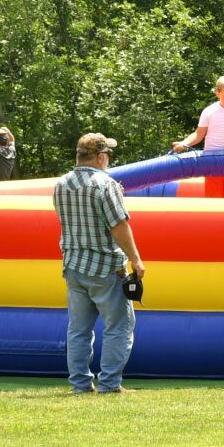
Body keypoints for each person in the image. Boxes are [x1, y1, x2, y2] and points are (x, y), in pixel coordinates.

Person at [53, 133, 145, 394]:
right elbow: (118, 225)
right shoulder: (105, 184)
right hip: (105, 266)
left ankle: (80, 384)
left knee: (79, 330)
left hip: (73, 264)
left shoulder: (62, 184)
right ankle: (110, 383)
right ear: (102, 157)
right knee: (119, 327)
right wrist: (136, 259)